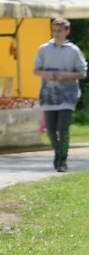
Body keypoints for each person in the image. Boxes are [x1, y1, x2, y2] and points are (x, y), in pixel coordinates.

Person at [35, 18, 86, 173]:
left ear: (67, 31)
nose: (56, 33)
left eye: (60, 30)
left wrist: (65, 75)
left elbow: (82, 73)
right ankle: (58, 152)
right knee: (50, 129)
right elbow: (36, 70)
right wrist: (47, 74)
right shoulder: (44, 49)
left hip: (68, 95)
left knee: (62, 129)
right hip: (49, 94)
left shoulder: (73, 50)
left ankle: (62, 161)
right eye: (54, 30)